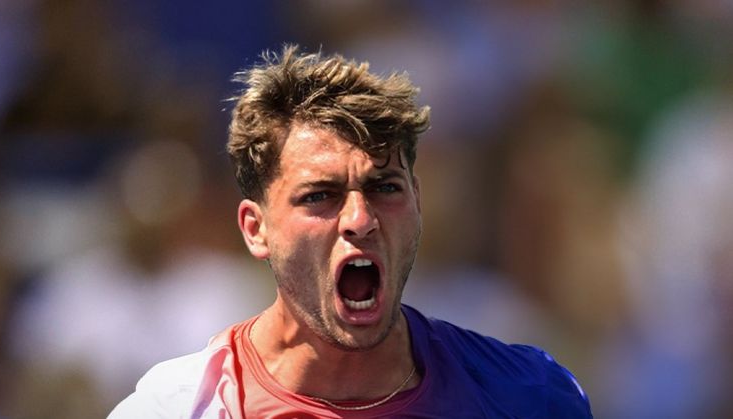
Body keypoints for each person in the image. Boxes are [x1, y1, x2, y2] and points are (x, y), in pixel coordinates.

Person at [108, 45, 592, 418]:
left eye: (384, 188)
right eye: (320, 195)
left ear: (418, 203)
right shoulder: (175, 409)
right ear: (256, 230)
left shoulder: (529, 397)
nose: (360, 219)